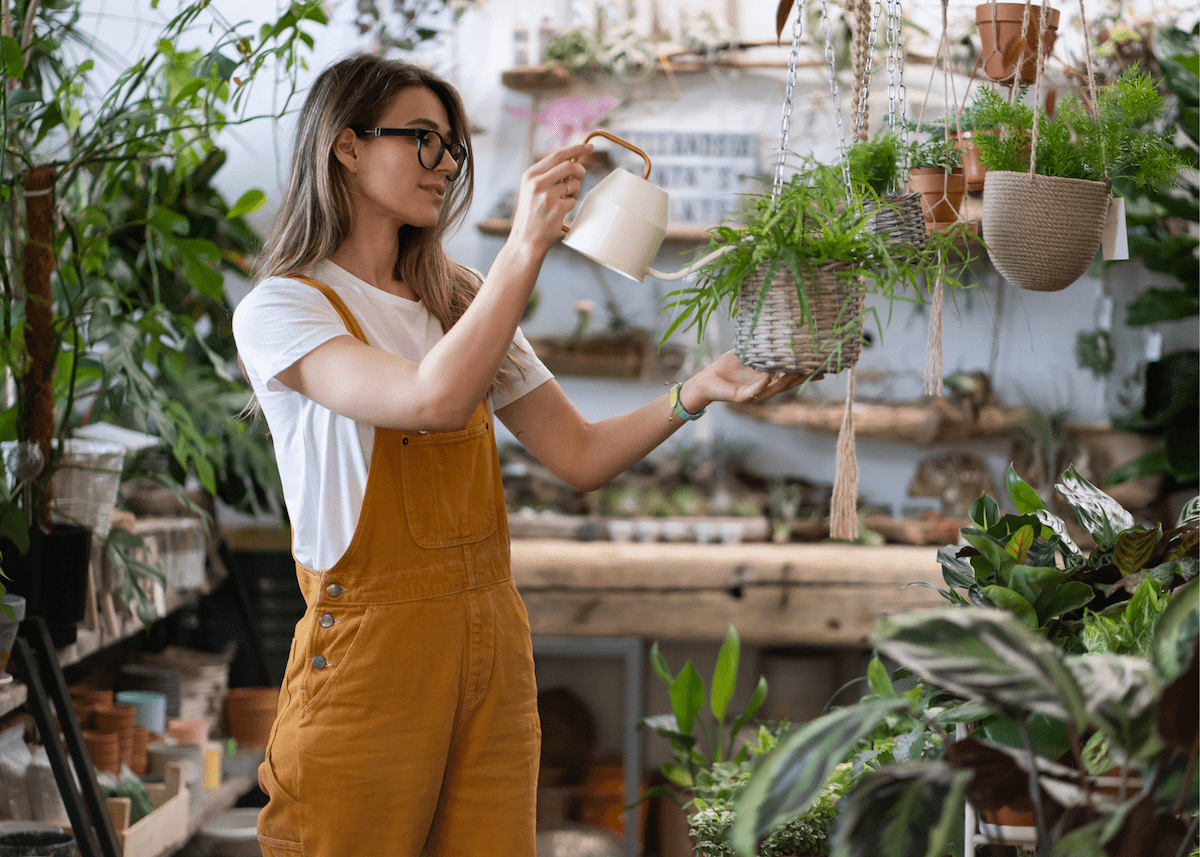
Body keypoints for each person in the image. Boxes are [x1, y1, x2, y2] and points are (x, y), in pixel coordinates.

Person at [232, 53, 808, 857]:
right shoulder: (286, 306)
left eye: (453, 148)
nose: (445, 164)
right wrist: (527, 245)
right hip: (370, 661)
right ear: (347, 146)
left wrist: (698, 390)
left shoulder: (457, 298)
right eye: (423, 140)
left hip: (491, 650)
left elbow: (577, 452)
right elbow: (431, 400)